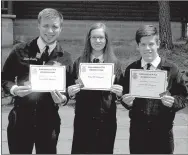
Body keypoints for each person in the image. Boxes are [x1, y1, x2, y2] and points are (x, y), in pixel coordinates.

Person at [2, 8, 73, 154]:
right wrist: (14, 89)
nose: (50, 30)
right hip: (20, 119)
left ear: (61, 28)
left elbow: (69, 87)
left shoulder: (65, 57)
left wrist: (63, 98)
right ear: (38, 25)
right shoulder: (20, 51)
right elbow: (5, 78)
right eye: (46, 26)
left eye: (55, 26)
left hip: (49, 121)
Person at [121, 25, 187, 154]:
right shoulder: (131, 69)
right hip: (138, 133)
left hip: (163, 132)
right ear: (137, 46)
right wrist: (126, 101)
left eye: (151, 44)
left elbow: (183, 96)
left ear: (158, 44)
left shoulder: (171, 69)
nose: (147, 49)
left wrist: (174, 102)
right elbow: (125, 94)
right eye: (143, 44)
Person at [68, 22, 123, 154]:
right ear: (89, 39)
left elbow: (123, 90)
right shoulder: (79, 62)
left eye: (101, 37)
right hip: (83, 119)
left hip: (106, 119)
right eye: (94, 37)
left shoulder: (115, 63)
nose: (97, 41)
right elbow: (69, 87)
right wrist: (71, 92)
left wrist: (120, 93)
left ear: (106, 40)